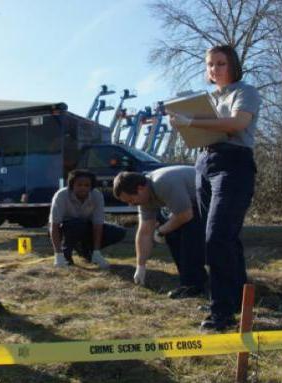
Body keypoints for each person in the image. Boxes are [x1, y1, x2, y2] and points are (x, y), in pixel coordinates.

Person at [169, 44, 261, 331]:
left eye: (220, 63)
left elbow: (235, 124)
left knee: (217, 237)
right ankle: (234, 300)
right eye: (210, 64)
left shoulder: (245, 92)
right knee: (226, 239)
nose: (214, 69)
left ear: (232, 65)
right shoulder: (210, 98)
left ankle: (221, 313)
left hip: (233, 163)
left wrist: (193, 120)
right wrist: (183, 124)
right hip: (204, 162)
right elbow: (206, 128)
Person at [113, 166, 207, 299]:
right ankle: (191, 280)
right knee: (173, 233)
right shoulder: (145, 199)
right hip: (194, 205)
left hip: (217, 196)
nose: (131, 205)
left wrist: (161, 231)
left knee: (188, 234)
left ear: (140, 189)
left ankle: (194, 285)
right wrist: (141, 266)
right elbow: (144, 232)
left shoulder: (162, 183)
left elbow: (185, 215)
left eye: (130, 200)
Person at [49, 169, 126, 268]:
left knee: (119, 232)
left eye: (86, 185)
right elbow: (54, 225)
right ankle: (64, 255)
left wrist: (96, 251)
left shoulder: (97, 195)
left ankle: (90, 253)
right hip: (65, 229)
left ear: (91, 187)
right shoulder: (61, 195)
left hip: (85, 227)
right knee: (76, 224)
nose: (83, 188)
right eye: (79, 185)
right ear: (72, 185)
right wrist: (57, 254)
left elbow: (98, 224)